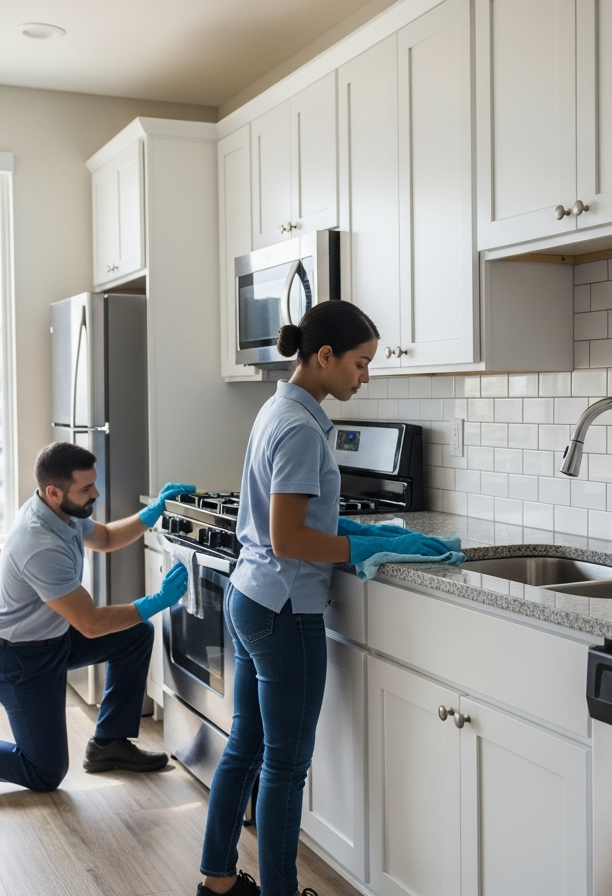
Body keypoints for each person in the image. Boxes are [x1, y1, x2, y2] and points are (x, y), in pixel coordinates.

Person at [196, 303, 454, 896]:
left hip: (252, 596)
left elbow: (287, 525)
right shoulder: (300, 426)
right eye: (361, 363)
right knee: (285, 768)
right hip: (285, 608)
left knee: (247, 748)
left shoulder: (280, 408)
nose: (365, 377)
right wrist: (360, 551)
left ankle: (217, 881)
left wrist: (360, 536)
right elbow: (290, 538)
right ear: (325, 356)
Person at [0, 441, 196, 793]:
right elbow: (89, 624)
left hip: (53, 640)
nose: (96, 493)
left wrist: (151, 513)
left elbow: (103, 538)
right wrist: (158, 600)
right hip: (18, 662)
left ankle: (109, 745)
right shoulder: (39, 543)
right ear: (54, 491)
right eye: (87, 488)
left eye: (94, 483)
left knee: (134, 635)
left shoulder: (62, 512)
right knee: (45, 772)